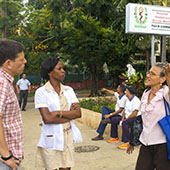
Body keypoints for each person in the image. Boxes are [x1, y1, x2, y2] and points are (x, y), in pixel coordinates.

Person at [34, 57, 82, 170]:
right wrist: (69, 114)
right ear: (50, 72)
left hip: (67, 136)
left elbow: (78, 113)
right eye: (59, 68)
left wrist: (57, 113)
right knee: (51, 167)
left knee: (66, 167)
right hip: (51, 137)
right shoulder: (41, 92)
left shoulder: (68, 90)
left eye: (63, 68)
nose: (63, 71)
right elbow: (47, 119)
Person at [127, 63, 170, 170]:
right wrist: (132, 140)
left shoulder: (165, 93)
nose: (148, 76)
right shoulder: (146, 94)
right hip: (145, 144)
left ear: (162, 79)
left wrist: (169, 78)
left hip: (163, 146)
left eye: (152, 74)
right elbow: (140, 120)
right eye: (148, 73)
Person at [0, 39, 26, 169]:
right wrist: (6, 155)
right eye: (21, 59)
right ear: (9, 63)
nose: (25, 62)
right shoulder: (1, 82)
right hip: (5, 160)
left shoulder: (5, 81)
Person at [117, 85, 141, 149]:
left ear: (129, 92)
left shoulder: (135, 100)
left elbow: (135, 113)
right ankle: (117, 138)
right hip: (129, 117)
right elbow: (125, 111)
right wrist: (123, 119)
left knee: (125, 123)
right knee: (119, 121)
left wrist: (126, 119)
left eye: (126, 91)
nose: (125, 92)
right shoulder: (128, 100)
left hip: (136, 118)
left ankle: (127, 142)